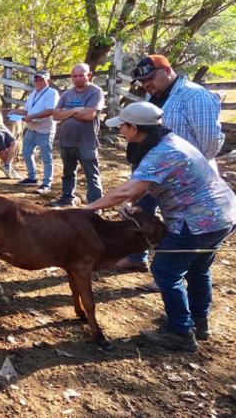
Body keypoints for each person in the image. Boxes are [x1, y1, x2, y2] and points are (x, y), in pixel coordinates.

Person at [88, 102, 236, 352]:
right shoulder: (169, 141)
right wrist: (130, 202)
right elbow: (146, 186)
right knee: (198, 269)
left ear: (134, 128)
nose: (121, 132)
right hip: (222, 215)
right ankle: (198, 322)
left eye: (122, 127)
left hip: (197, 221)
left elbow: (128, 188)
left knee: (166, 271)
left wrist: (86, 209)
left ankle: (179, 332)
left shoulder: (162, 153)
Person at [118, 55, 226, 270]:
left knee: (181, 224)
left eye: (150, 78)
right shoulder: (153, 97)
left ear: (167, 70)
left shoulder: (195, 96)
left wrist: (184, 166)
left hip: (184, 178)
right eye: (143, 81)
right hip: (152, 172)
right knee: (140, 214)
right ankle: (137, 257)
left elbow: (210, 142)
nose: (146, 84)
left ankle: (173, 270)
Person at [50, 63, 104, 206]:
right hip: (66, 141)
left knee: (91, 174)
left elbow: (89, 115)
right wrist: (76, 110)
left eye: (81, 75)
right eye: (75, 76)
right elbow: (55, 115)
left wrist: (66, 112)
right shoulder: (67, 93)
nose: (78, 78)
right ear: (71, 78)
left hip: (86, 141)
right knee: (68, 172)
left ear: (89, 75)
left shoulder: (95, 92)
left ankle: (95, 204)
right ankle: (67, 198)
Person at [12, 70, 60, 194]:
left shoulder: (52, 93)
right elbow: (28, 111)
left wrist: (31, 117)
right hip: (32, 129)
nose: (38, 82)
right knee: (26, 153)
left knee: (46, 158)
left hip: (45, 130)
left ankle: (46, 183)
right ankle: (32, 177)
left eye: (41, 79)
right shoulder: (33, 93)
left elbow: (50, 110)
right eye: (36, 79)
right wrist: (16, 112)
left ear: (47, 81)